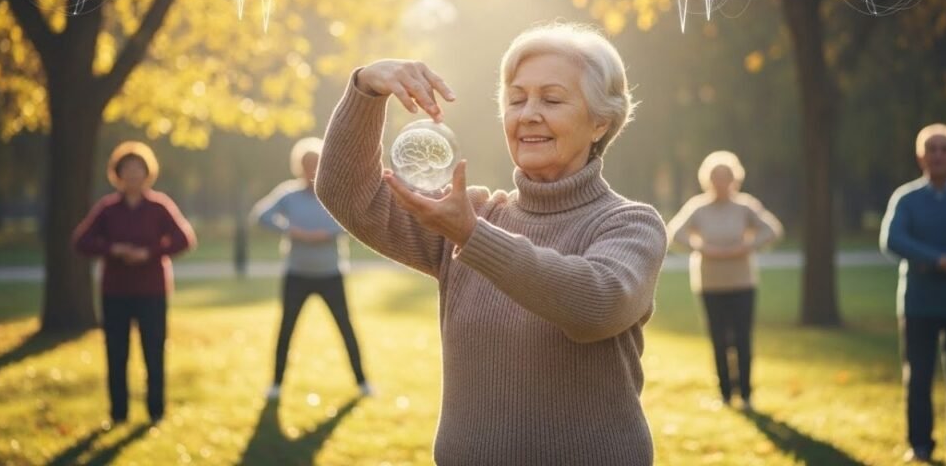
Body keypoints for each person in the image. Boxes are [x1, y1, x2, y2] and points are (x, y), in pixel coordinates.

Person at [315, 23, 667, 465]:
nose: (528, 114)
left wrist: (472, 236)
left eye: (552, 99)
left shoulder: (630, 224)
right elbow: (349, 194)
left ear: (601, 121)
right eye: (516, 100)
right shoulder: (473, 214)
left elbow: (597, 306)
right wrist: (367, 90)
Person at [880, 123, 946, 463]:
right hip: (918, 304)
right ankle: (920, 445)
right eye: (932, 149)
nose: (938, 155)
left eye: (945, 149)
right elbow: (892, 239)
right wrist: (937, 259)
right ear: (920, 156)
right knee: (918, 377)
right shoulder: (906, 198)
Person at [73, 141, 196, 424]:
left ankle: (156, 411)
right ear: (118, 174)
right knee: (116, 354)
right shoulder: (108, 209)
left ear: (147, 172)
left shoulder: (159, 206)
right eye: (127, 169)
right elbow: (81, 241)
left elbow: (184, 239)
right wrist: (113, 249)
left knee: (154, 351)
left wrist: (150, 253)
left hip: (152, 291)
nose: (132, 174)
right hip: (115, 291)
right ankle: (118, 413)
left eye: (137, 169)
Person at [252, 137, 370, 400]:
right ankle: (276, 385)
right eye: (307, 165)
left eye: (316, 164)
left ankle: (363, 383)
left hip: (331, 274)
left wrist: (327, 234)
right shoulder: (288, 194)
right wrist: (290, 230)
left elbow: (353, 220)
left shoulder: (335, 194)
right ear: (299, 167)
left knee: (345, 327)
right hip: (297, 275)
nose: (311, 170)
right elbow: (260, 215)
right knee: (286, 329)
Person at [666, 150, 783, 411]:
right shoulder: (698, 207)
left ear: (734, 179)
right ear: (707, 180)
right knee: (718, 339)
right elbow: (674, 233)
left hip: (742, 282)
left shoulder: (745, 206)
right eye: (716, 178)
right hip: (710, 283)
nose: (720, 183)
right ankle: (726, 394)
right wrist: (702, 248)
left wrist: (747, 246)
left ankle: (746, 394)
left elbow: (772, 230)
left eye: (725, 177)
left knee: (742, 339)